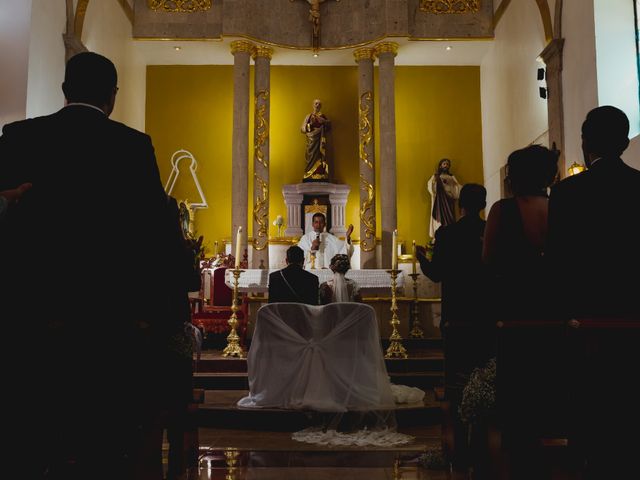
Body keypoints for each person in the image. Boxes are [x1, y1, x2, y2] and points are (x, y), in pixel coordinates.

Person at [0, 52, 186, 479]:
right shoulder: (132, 146)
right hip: (110, 327)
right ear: (112, 97)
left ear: (64, 90)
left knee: (30, 442)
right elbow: (155, 235)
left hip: (30, 323)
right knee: (101, 448)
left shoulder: (18, 136)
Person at [546, 106, 640, 479]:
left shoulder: (568, 192)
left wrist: (564, 313)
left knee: (589, 407)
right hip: (634, 314)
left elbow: (557, 261)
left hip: (585, 321)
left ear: (586, 142)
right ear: (625, 140)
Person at [415, 183, 490, 472]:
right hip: (484, 317)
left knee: (457, 382)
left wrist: (422, 257)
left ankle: (459, 450)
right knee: (484, 377)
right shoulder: (488, 231)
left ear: (460, 205)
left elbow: (436, 273)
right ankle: (481, 445)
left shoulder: (447, 234)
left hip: (457, 317)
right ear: (483, 204)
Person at [482, 144, 559, 320]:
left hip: (513, 299)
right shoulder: (560, 207)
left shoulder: (502, 209)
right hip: (554, 298)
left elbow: (487, 258)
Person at [427, 158, 461, 239]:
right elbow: (431, 188)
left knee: (450, 222)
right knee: (439, 223)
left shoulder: (452, 177)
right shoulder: (436, 176)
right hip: (439, 202)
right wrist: (434, 181)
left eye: (447, 164)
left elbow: (457, 190)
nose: (446, 165)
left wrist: (452, 185)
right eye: (444, 164)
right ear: (440, 166)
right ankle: (439, 235)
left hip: (449, 202)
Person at [301, 98, 331, 181]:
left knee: (319, 156)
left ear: (321, 106)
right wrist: (309, 125)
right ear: (313, 105)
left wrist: (324, 122)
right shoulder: (308, 116)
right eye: (316, 103)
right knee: (310, 156)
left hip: (320, 141)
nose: (317, 105)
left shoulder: (322, 116)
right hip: (311, 140)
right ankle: (309, 173)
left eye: (319, 104)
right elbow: (302, 129)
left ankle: (320, 173)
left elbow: (329, 126)